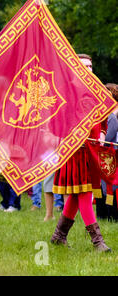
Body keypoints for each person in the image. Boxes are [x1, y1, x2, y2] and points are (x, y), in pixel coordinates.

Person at [51, 54, 111, 252]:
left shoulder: (97, 92)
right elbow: (55, 122)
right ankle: (98, 242)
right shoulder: (65, 92)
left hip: (92, 151)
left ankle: (59, 236)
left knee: (77, 195)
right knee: (84, 193)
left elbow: (103, 121)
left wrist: (102, 134)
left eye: (91, 66)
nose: (89, 69)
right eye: (84, 66)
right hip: (74, 152)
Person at [96, 83, 118, 221]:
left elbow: (109, 136)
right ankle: (103, 215)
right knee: (102, 187)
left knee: (110, 187)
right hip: (104, 154)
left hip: (111, 154)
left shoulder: (111, 116)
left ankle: (111, 216)